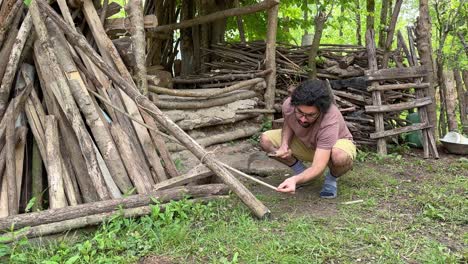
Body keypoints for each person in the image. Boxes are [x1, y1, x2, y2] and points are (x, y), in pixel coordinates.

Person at [259, 79, 356, 198]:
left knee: (339, 157)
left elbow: (318, 167)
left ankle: (331, 178)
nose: (303, 119)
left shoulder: (330, 117)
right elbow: (289, 123)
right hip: (306, 143)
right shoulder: (289, 105)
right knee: (265, 140)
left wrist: (294, 180)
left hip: (334, 146)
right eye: (300, 112)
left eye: (310, 115)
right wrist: (284, 145)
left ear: (321, 111)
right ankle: (301, 171)